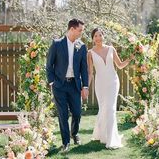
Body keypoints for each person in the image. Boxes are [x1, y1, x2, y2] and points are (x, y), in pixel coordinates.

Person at [46, 19, 89, 152]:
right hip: (60, 85)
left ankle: (74, 133)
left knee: (77, 112)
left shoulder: (81, 46)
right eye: (80, 30)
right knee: (63, 114)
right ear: (72, 29)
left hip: (74, 85)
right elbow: (49, 66)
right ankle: (66, 142)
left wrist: (85, 86)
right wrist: (52, 82)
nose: (81, 33)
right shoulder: (57, 44)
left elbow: (83, 68)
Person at [87, 28, 133, 149]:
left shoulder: (111, 49)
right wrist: (86, 87)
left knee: (111, 109)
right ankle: (101, 135)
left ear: (103, 36)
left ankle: (112, 139)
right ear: (92, 38)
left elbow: (120, 65)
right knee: (103, 108)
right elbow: (90, 72)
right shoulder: (90, 53)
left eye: (100, 35)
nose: (98, 38)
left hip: (113, 82)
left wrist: (129, 59)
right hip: (100, 84)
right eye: (95, 36)